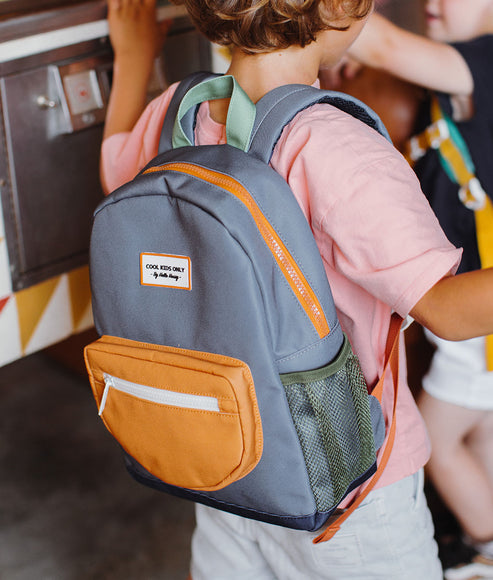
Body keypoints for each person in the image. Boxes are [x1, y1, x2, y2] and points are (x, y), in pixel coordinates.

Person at [101, 0, 493, 578]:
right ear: (337, 7)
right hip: (347, 494)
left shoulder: (176, 116)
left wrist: (134, 56)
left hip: (226, 467)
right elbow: (447, 310)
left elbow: (116, 175)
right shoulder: (338, 147)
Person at [347, 3, 493, 577]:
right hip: (476, 306)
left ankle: (486, 547)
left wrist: (323, 23)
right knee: (480, 432)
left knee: (434, 435)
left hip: (477, 319)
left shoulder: (486, 57)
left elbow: (383, 45)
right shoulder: (458, 67)